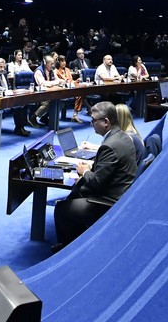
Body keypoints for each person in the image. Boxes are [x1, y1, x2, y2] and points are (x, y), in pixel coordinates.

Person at [52, 101, 136, 252]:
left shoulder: (109, 145)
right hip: (120, 193)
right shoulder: (122, 136)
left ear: (106, 122)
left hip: (108, 202)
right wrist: (91, 168)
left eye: (94, 120)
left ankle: (66, 250)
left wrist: (85, 172)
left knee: (62, 208)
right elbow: (108, 169)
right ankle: (78, 242)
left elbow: (96, 182)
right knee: (76, 193)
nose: (92, 124)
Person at [0, 58, 30, 137]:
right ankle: (19, 128)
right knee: (18, 106)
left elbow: (9, 86)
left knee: (22, 104)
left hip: (7, 97)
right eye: (0, 67)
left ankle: (20, 127)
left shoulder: (4, 73)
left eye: (3, 67)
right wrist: (4, 91)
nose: (2, 69)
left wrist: (9, 91)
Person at [30, 55, 66, 128]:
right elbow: (43, 84)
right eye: (51, 64)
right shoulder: (38, 71)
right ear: (45, 63)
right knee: (47, 103)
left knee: (61, 102)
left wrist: (62, 81)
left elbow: (57, 80)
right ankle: (33, 118)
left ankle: (44, 117)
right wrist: (56, 82)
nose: (53, 65)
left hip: (49, 93)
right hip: (37, 93)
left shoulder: (52, 70)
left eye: (53, 63)